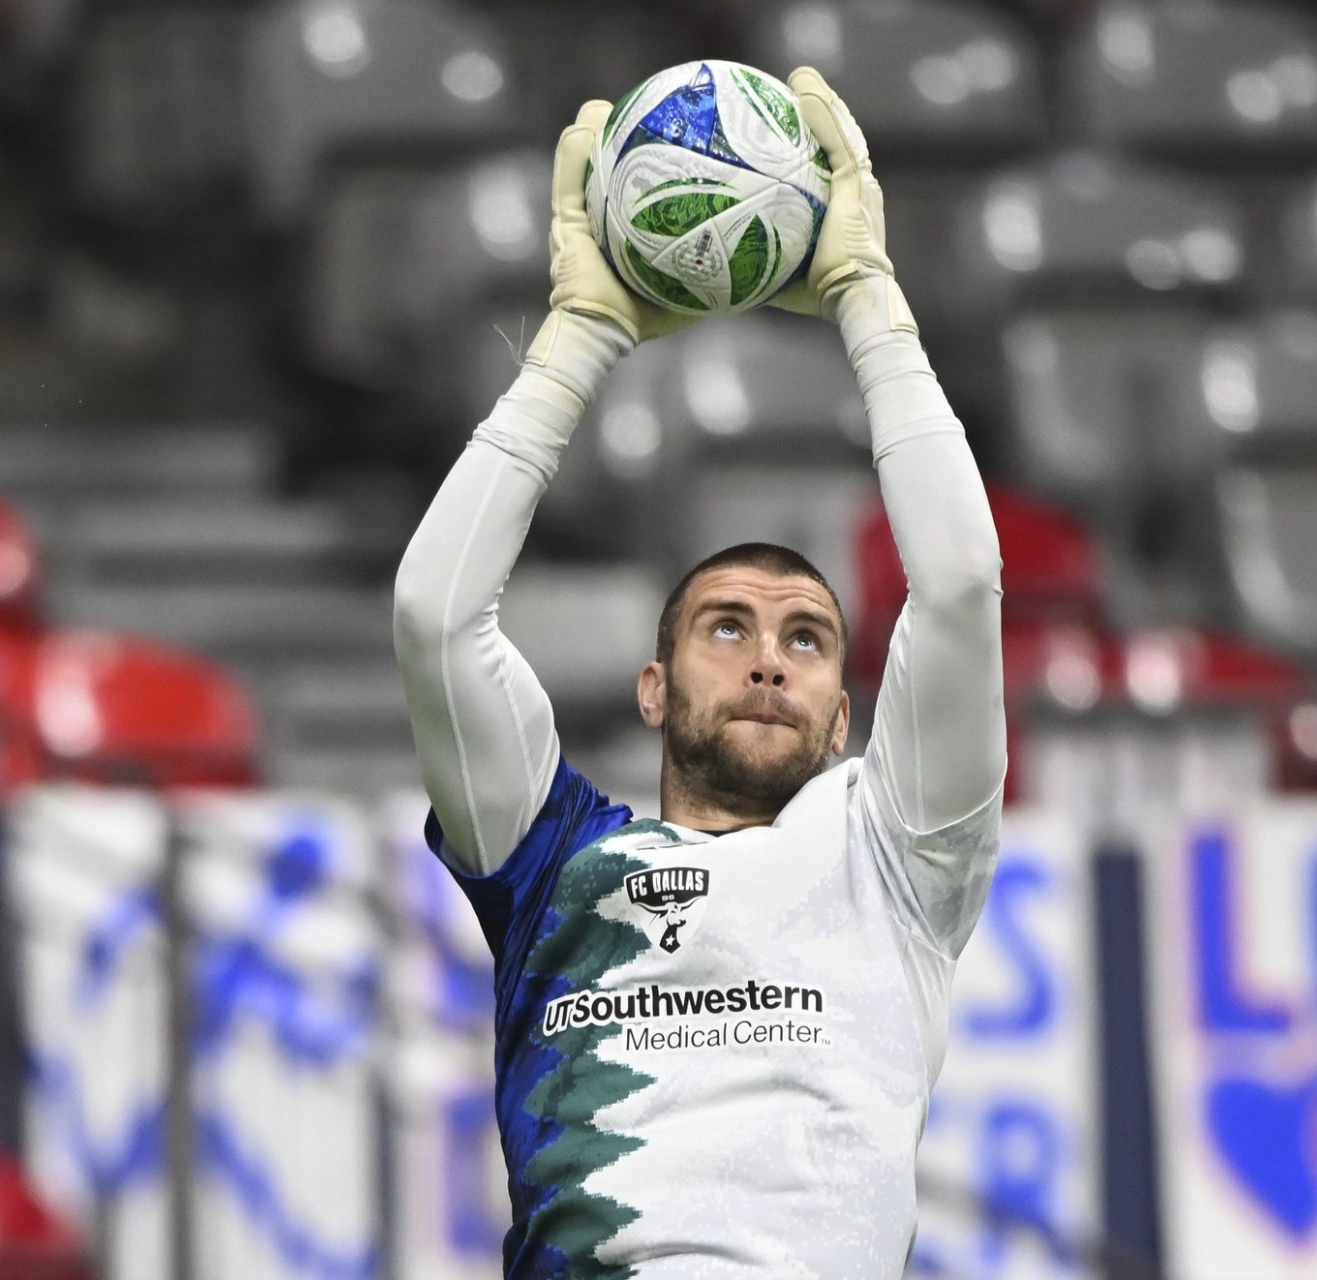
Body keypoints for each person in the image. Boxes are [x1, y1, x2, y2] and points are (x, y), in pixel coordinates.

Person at [393, 66, 1005, 1280]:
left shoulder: (898, 858)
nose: (769, 658)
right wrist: (581, 338)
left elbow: (963, 586)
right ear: (654, 688)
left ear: (845, 717)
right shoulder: (550, 865)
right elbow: (434, 613)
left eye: (807, 638)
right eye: (725, 627)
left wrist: (868, 299)